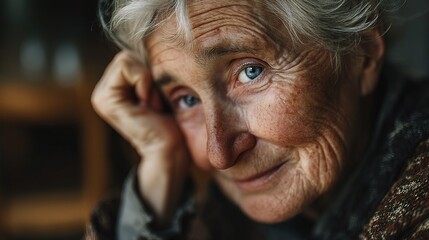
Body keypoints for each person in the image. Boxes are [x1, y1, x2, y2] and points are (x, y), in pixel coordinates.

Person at [87, 0, 429, 239]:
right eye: (187, 99)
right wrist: (160, 165)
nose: (219, 153)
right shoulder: (223, 216)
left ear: (362, 53)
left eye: (251, 72)